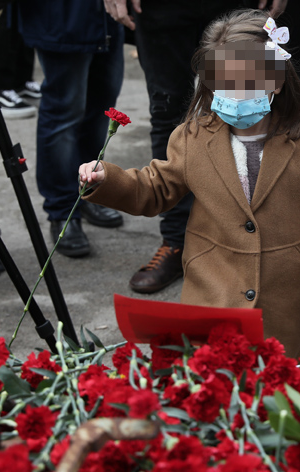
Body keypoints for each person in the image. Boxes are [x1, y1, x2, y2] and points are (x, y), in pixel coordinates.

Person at [78, 10, 300, 357]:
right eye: (222, 83)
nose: (233, 92)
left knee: (273, 383)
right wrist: (108, 179)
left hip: (282, 299)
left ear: (275, 81)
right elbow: (155, 188)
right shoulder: (193, 137)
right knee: (213, 379)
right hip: (212, 288)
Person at [103, 0, 242, 292]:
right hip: (159, 9)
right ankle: (177, 242)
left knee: (242, 106)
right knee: (168, 111)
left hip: (234, 4)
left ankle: (237, 239)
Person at [16, 0, 125, 257]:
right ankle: (63, 212)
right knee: (63, 114)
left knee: (102, 108)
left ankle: (87, 194)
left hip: (105, 18)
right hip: (62, 14)